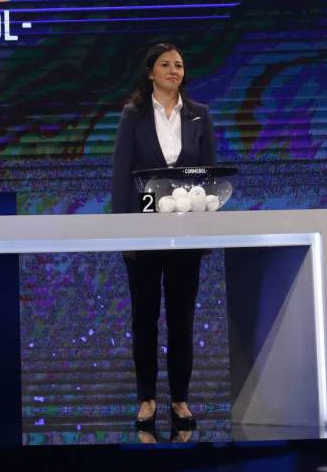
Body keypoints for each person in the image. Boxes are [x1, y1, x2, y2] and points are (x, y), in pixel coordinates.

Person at [111, 42, 215, 433]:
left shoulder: (200, 115)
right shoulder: (133, 115)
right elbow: (121, 174)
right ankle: (146, 399)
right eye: (166, 64)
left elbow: (209, 175)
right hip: (143, 232)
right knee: (144, 319)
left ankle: (180, 399)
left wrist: (204, 230)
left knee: (182, 319)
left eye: (179, 65)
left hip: (185, 233)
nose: (174, 70)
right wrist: (123, 232)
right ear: (150, 72)